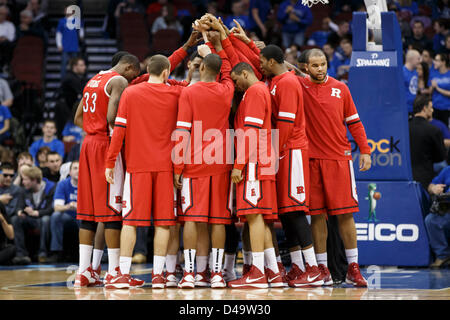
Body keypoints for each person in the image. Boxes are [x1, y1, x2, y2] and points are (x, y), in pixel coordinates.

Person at [105, 54, 184, 289]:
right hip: (166, 167)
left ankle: (123, 274)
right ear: (167, 72)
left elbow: (118, 130)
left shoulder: (130, 93)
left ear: (147, 71)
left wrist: (110, 161)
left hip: (137, 167)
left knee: (130, 222)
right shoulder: (177, 93)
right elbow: (191, 86)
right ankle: (159, 276)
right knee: (163, 223)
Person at [298, 49, 372, 287]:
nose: (321, 69)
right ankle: (322, 268)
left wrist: (366, 151)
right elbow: (275, 67)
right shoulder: (299, 86)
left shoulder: (341, 88)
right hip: (311, 161)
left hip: (339, 160)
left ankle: (353, 266)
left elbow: (354, 122)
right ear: (306, 67)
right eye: (315, 65)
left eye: (323, 64)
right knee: (317, 216)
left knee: (345, 215)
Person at [258, 44, 325, 287]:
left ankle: (314, 268)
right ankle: (297, 265)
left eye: (262, 61)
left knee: (296, 211)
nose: (260, 65)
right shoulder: (275, 80)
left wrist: (275, 152)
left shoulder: (287, 83)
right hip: (283, 150)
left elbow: (286, 122)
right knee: (286, 212)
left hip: (292, 150)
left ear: (272, 61)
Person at [72, 53, 140, 288]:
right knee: (112, 209)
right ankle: (114, 273)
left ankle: (84, 272)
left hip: (88, 144)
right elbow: (113, 117)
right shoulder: (119, 81)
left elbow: (77, 117)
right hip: (105, 145)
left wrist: (93, 129)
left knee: (88, 213)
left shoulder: (93, 79)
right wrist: (112, 132)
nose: (134, 79)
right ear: (129, 67)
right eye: (135, 74)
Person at [173, 30, 234, 289]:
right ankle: (217, 274)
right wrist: (215, 45)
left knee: (191, 218)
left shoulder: (189, 91)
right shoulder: (227, 89)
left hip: (194, 162)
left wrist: (177, 166)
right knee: (219, 220)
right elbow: (228, 68)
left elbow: (182, 131)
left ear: (201, 69)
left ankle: (189, 274)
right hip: (221, 162)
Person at [226, 62, 283, 288]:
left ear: (245, 73)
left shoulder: (256, 91)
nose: (236, 86)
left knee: (255, 216)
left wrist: (239, 166)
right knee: (261, 218)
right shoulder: (257, 91)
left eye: (236, 80)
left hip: (254, 161)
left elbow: (251, 132)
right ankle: (273, 273)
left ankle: (258, 272)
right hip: (260, 159)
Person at [11, 166, 55, 264]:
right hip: (31, 219)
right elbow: (19, 206)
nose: (23, 182)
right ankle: (21, 254)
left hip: (44, 218)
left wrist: (37, 213)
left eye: (25, 180)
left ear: (34, 180)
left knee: (46, 220)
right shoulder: (24, 190)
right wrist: (20, 212)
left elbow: (52, 209)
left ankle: (42, 253)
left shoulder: (51, 188)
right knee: (15, 219)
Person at [409, 95, 446, 190]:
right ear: (424, 108)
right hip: (426, 180)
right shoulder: (434, 130)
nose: (432, 110)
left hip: (406, 177)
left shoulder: (403, 129)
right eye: (431, 107)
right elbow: (440, 157)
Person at [49, 160, 79, 262]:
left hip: (83, 216)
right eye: (75, 168)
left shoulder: (88, 184)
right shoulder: (63, 184)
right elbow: (57, 207)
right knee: (56, 216)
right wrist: (69, 206)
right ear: (69, 172)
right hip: (68, 217)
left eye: (80, 168)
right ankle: (56, 252)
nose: (78, 171)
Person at [425, 167, 450, 268]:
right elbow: (430, 186)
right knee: (430, 220)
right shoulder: (447, 170)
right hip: (447, 209)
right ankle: (443, 255)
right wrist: (434, 188)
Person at [56, 5, 84, 79]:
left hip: (74, 46)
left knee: (75, 65)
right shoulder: (62, 21)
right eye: (66, 10)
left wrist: (81, 36)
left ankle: (75, 79)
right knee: (64, 65)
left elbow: (81, 29)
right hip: (65, 46)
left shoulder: (77, 20)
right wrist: (59, 45)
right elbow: (58, 34)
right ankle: (64, 81)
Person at [429, 53, 450, 126]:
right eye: (434, 60)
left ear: (443, 62)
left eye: (437, 60)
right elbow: (430, 92)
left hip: (447, 108)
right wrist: (432, 87)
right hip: (435, 107)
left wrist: (437, 88)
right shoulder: (433, 74)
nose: (434, 62)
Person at [403, 49, 421, 115]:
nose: (420, 61)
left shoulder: (415, 72)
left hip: (414, 108)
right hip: (405, 109)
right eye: (418, 59)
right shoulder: (402, 72)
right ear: (411, 59)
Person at [0, 5, 15, 72]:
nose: (2, 16)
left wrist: (3, 39)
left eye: (4, 14)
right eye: (0, 14)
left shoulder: (10, 25)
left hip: (5, 45)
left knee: (7, 44)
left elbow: (11, 38)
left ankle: (4, 66)